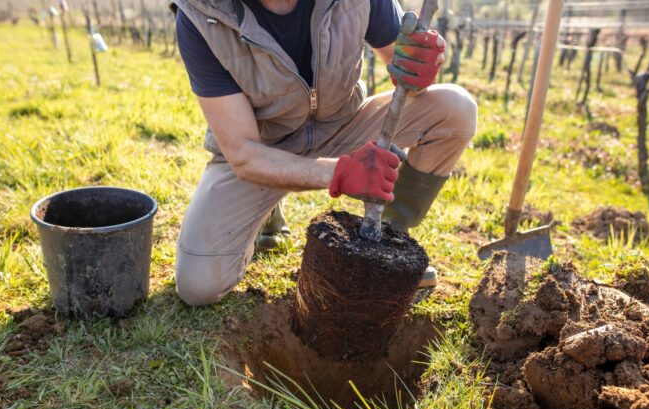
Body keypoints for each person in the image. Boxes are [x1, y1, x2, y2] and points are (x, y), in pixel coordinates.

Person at [171, 0, 477, 306]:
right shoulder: (202, 16)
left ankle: (389, 240)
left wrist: (418, 66)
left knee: (455, 109)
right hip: (264, 149)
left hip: (343, 125)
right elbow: (243, 153)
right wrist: (339, 173)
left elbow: (405, 67)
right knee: (199, 286)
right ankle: (264, 212)